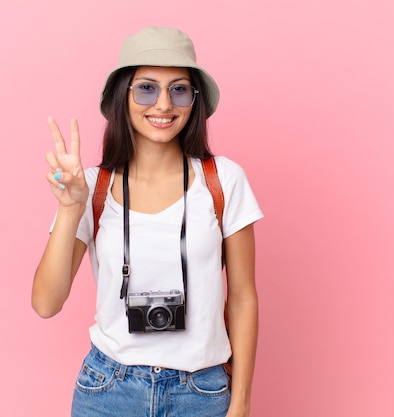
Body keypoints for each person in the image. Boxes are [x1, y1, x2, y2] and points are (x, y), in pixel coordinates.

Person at [32, 27, 263, 417]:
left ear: (195, 100)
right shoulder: (90, 187)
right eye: (146, 88)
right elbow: (45, 303)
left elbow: (241, 298)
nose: (162, 104)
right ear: (123, 96)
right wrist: (72, 208)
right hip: (108, 389)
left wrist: (240, 401)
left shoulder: (224, 180)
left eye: (179, 89)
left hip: (202, 392)